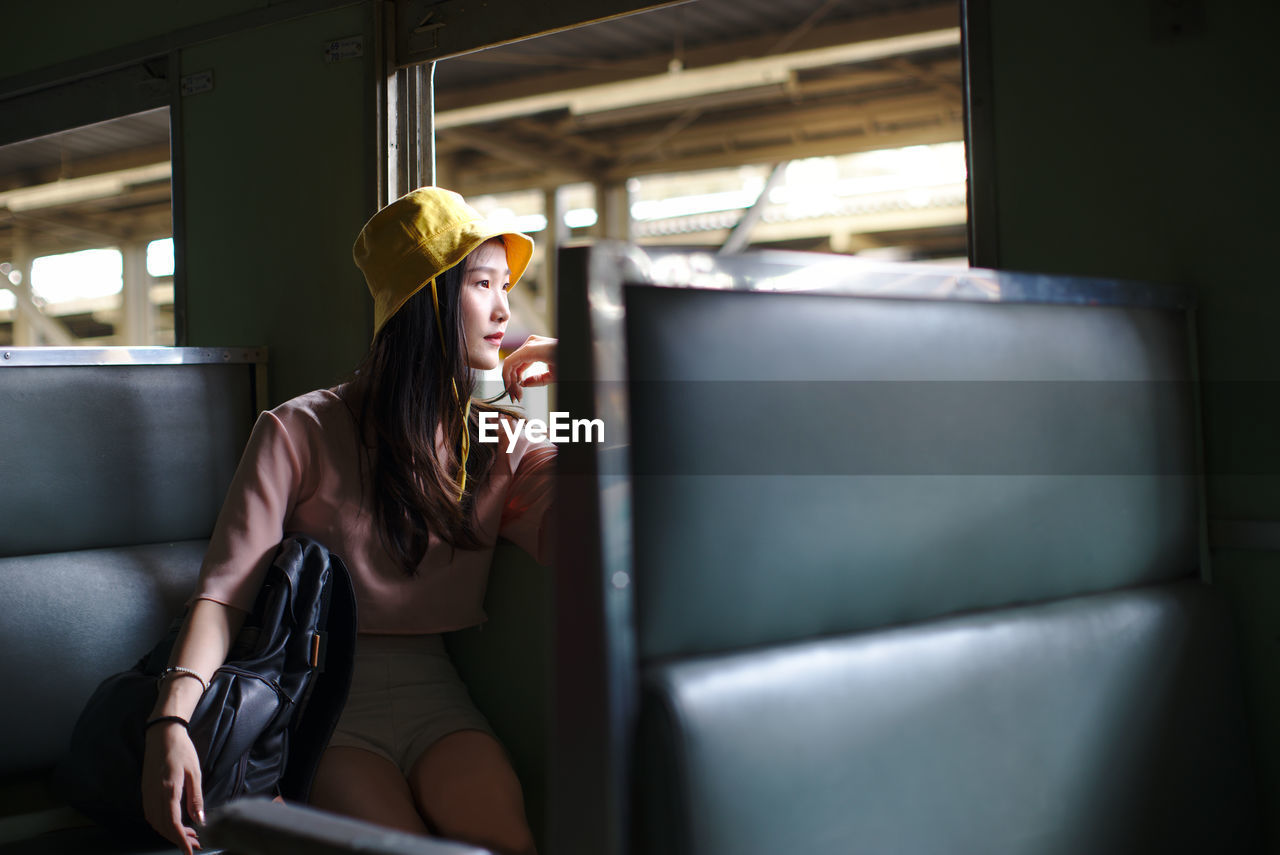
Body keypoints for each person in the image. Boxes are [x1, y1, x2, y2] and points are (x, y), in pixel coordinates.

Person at [140, 187, 557, 855]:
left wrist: (601, 376)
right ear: (428, 297)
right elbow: (223, 593)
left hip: (439, 696)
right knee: (401, 849)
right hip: (327, 702)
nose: (505, 308)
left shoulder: (501, 440)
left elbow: (604, 519)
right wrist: (172, 720)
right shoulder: (296, 429)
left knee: (508, 841)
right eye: (483, 284)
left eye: (504, 285)